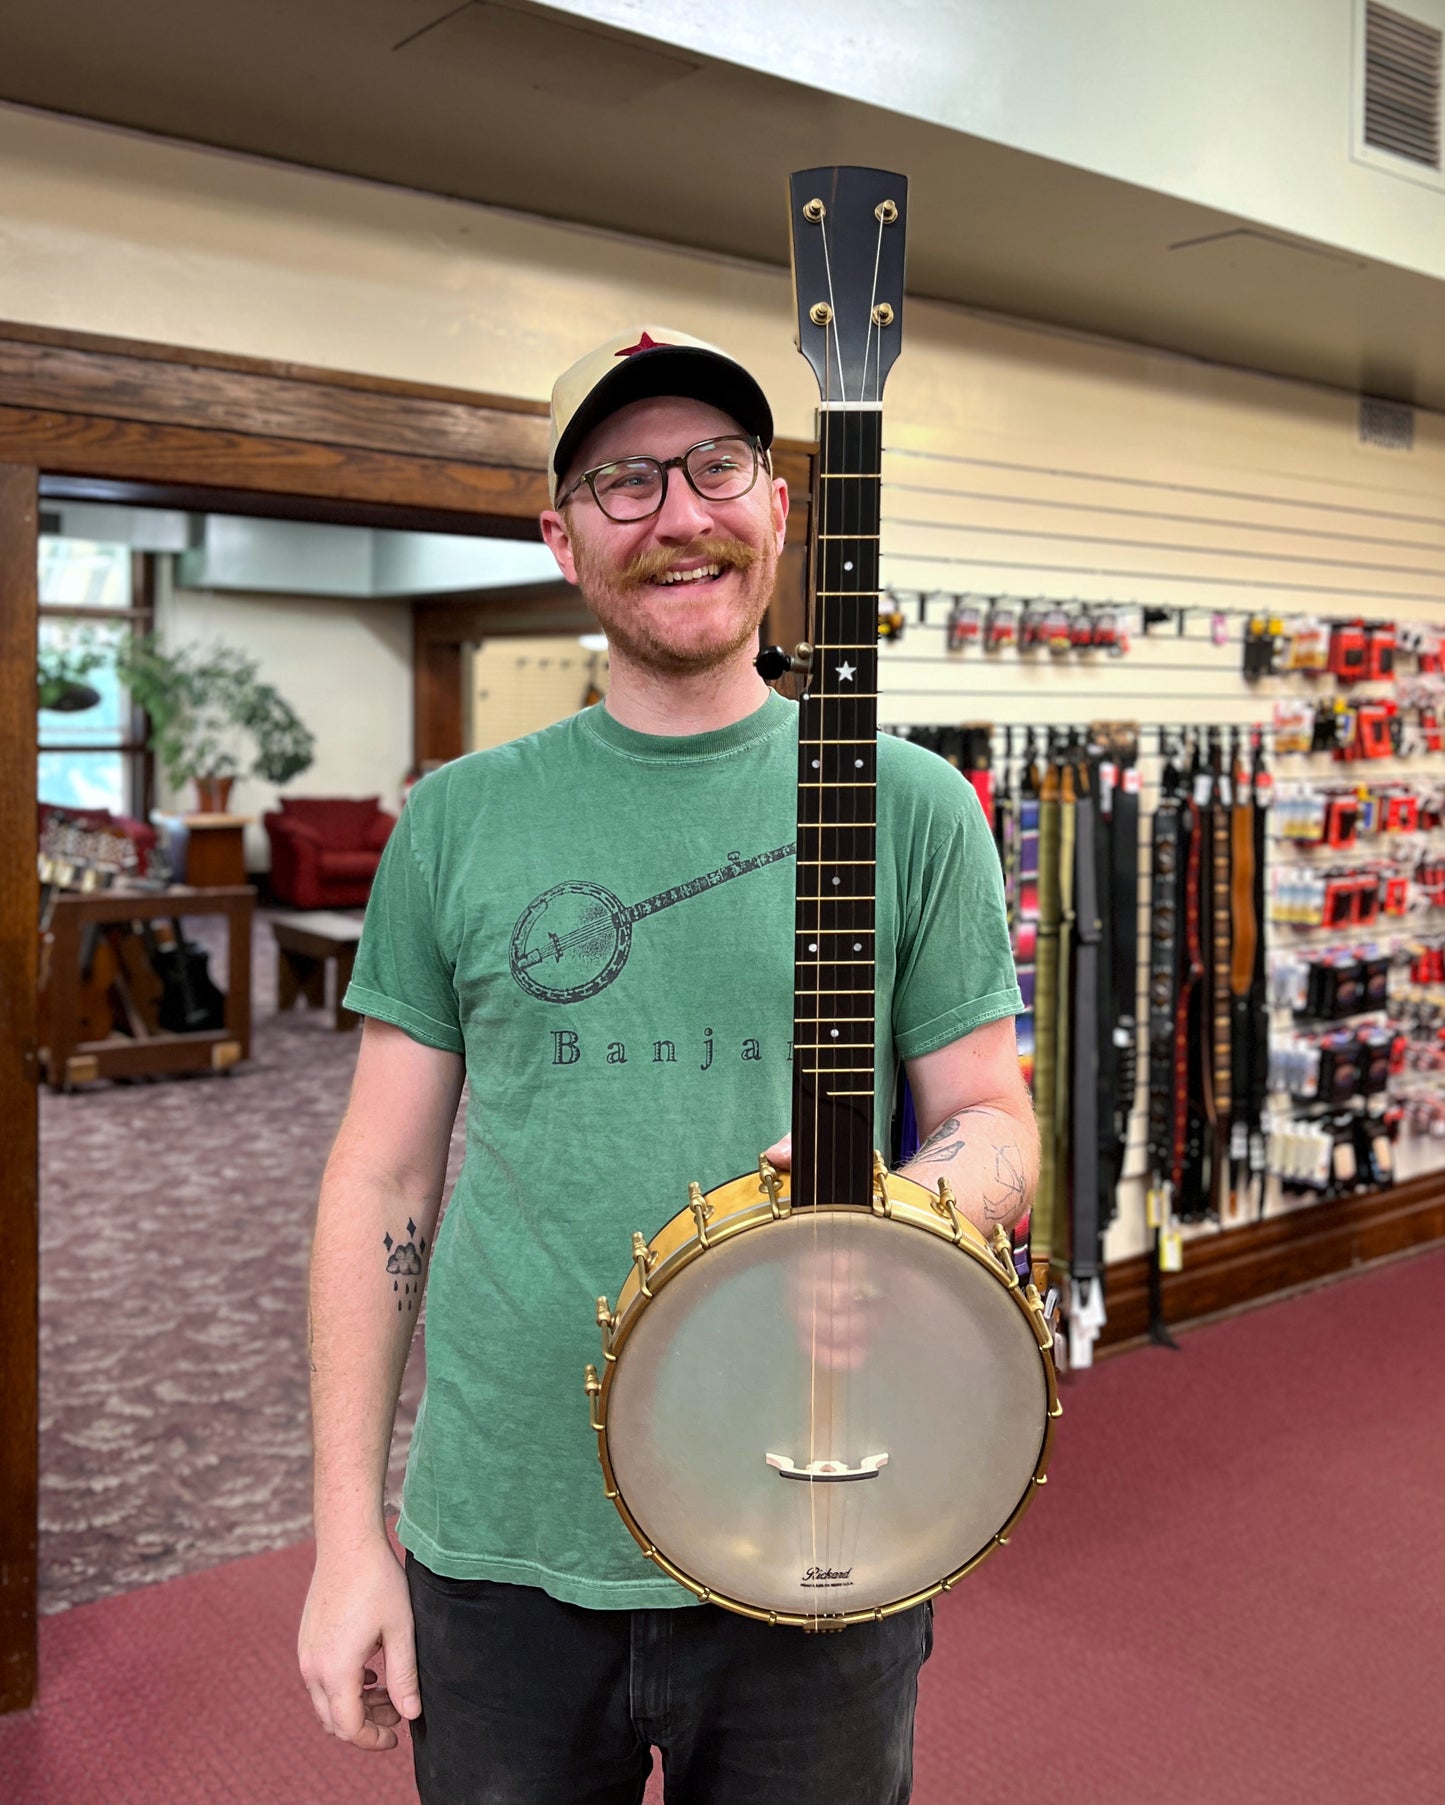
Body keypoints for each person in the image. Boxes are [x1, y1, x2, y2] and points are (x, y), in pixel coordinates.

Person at [298, 325, 1038, 1804]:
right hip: (504, 1537)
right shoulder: (456, 817)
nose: (679, 514)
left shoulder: (911, 805)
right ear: (560, 536)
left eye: (717, 466)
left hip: (818, 1504)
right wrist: (342, 1537)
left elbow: (991, 1122)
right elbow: (380, 1173)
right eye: (623, 482)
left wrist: (908, 1205)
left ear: (776, 508)